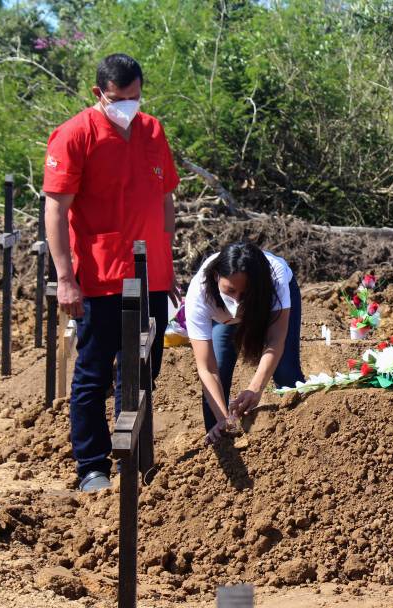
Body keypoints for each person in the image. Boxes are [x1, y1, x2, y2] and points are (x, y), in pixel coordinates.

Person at [43, 54, 180, 492]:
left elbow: (165, 199)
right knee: (94, 371)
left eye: (136, 97)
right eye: (120, 99)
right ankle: (92, 465)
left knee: (144, 367)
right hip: (100, 275)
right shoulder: (74, 135)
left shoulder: (152, 131)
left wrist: (167, 257)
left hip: (151, 273)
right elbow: (56, 210)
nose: (129, 106)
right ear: (98, 93)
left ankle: (133, 459)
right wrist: (65, 278)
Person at [185, 241, 305, 444]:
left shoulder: (275, 278)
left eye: (244, 292)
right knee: (219, 373)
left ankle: (301, 430)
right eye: (230, 290)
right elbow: (207, 368)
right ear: (216, 277)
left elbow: (275, 340)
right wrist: (224, 419)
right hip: (222, 318)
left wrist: (255, 388)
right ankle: (219, 439)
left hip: (264, 306)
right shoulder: (199, 293)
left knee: (285, 369)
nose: (237, 300)